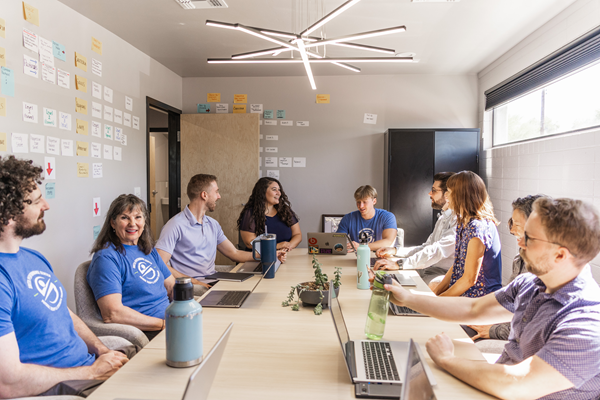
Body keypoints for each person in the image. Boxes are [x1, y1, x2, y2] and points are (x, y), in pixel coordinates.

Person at [379, 197, 600, 400]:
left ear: (560, 255)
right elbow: (473, 308)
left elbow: (517, 384)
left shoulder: (586, 323)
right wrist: (407, 298)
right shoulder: (531, 284)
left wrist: (447, 359)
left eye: (529, 238)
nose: (520, 242)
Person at [0, 156, 128, 398]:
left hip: (85, 371)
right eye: (37, 201)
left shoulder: (33, 257)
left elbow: (62, 311)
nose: (46, 206)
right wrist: (91, 373)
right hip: (60, 389)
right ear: (8, 213)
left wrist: (101, 350)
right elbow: (7, 382)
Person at [156, 174, 286, 289]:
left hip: (213, 281)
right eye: (216, 192)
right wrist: (193, 282)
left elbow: (234, 253)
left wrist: (270, 255)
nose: (219, 196)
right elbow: (159, 263)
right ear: (204, 195)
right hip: (192, 288)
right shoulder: (175, 225)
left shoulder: (212, 224)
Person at [87, 195, 175, 341]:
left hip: (170, 320)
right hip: (148, 331)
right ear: (113, 223)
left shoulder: (147, 249)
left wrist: (187, 312)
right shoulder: (106, 258)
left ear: (144, 221)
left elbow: (171, 286)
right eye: (125, 218)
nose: (132, 223)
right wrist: (164, 324)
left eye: (138, 217)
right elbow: (112, 313)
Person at [468, 194, 546, 341]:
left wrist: (493, 330)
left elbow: (530, 325)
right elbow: (507, 301)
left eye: (517, 224)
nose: (512, 230)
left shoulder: (545, 270)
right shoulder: (520, 258)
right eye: (512, 223)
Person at [374, 172, 456, 287]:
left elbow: (436, 251)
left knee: (393, 281)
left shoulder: (458, 221)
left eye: (434, 190)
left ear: (447, 195)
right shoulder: (443, 217)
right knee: (383, 277)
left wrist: (400, 264)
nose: (429, 193)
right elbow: (426, 247)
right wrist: (395, 251)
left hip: (440, 273)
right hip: (428, 267)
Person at [432, 171, 502, 297]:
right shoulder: (464, 222)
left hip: (479, 299)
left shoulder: (478, 228)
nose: (446, 195)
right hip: (465, 295)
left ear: (461, 195)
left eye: (449, 191)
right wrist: (434, 295)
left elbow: (469, 280)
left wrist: (437, 301)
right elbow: (457, 265)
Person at [238, 177, 301, 251]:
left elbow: (297, 234)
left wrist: (287, 247)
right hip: (259, 258)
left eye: (279, 190)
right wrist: (277, 246)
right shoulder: (250, 213)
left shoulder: (285, 210)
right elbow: (249, 243)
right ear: (263, 192)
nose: (279, 193)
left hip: (284, 255)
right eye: (274, 189)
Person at [336, 185, 397, 252]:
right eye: (358, 202)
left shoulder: (387, 217)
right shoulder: (348, 218)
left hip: (380, 256)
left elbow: (388, 242)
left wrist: (361, 247)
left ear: (374, 201)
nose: (361, 206)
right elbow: (338, 241)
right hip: (357, 257)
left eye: (365, 202)